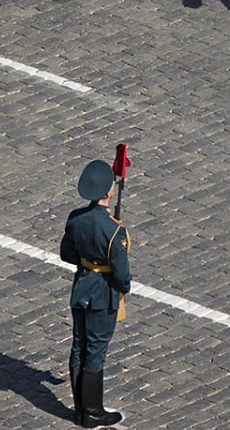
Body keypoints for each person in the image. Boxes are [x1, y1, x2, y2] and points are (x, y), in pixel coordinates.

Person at [60, 157, 130, 427]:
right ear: (107, 192)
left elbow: (67, 253)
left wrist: (88, 262)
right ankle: (92, 412)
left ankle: (79, 410)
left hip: (81, 287)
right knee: (96, 351)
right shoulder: (115, 230)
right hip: (103, 294)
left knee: (79, 345)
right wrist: (122, 287)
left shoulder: (75, 219)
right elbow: (121, 273)